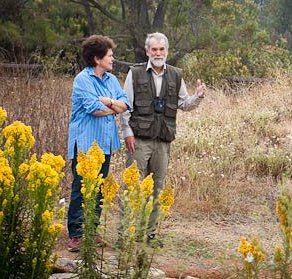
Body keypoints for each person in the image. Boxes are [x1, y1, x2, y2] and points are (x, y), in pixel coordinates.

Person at [120, 32, 206, 245]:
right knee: (133, 186)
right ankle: (125, 234)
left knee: (157, 187)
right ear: (147, 51)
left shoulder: (176, 75)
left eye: (162, 49)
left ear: (166, 51)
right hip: (138, 140)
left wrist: (198, 97)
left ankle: (150, 234)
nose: (158, 53)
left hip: (163, 141)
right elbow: (124, 106)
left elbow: (184, 104)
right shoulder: (135, 72)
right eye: (154, 49)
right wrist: (127, 133)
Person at [67, 35, 130, 252]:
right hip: (84, 141)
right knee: (82, 187)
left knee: (99, 187)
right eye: (110, 56)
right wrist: (112, 106)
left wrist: (109, 101)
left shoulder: (111, 80)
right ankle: (76, 234)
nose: (113, 59)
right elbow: (93, 109)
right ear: (97, 58)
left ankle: (91, 232)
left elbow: (125, 104)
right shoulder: (83, 80)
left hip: (105, 142)